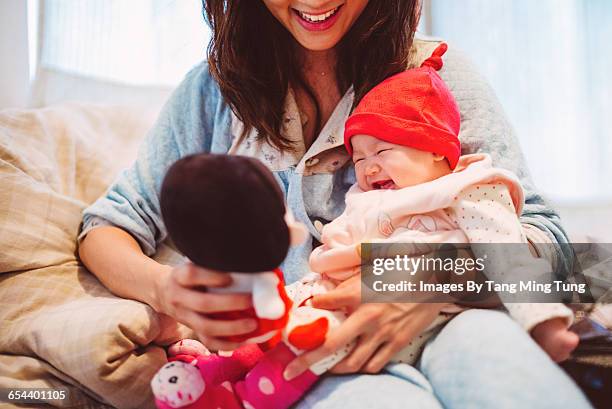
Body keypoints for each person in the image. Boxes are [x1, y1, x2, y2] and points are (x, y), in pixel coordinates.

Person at [78, 1, 591, 407]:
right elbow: (107, 226)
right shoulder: (214, 93)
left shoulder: (436, 74)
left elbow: (548, 240)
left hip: (455, 322)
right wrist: (169, 291)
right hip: (309, 355)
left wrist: (425, 282)